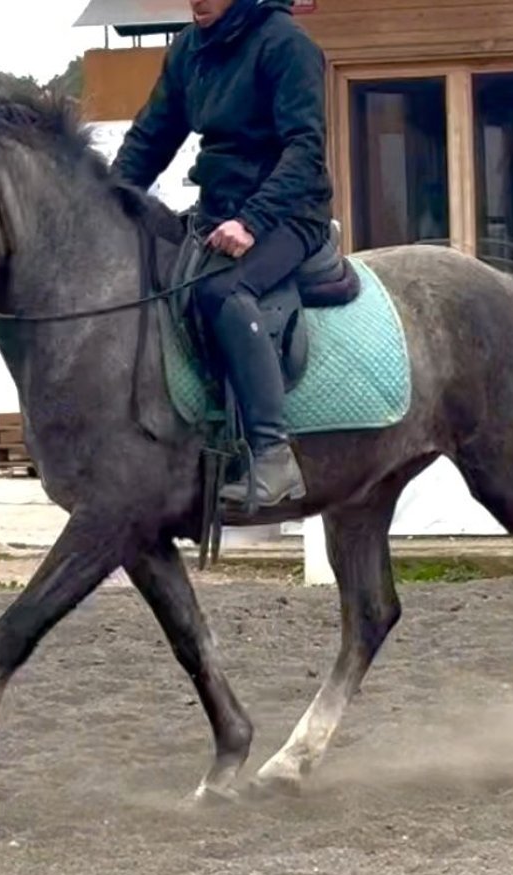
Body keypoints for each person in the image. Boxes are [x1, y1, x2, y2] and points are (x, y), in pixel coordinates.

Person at [111, 0, 334, 507]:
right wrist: (104, 201)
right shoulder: (190, 49)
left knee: (221, 288)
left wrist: (252, 221)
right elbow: (151, 138)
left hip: (289, 214)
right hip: (218, 210)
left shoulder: (286, 44)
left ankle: (274, 455)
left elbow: (305, 148)